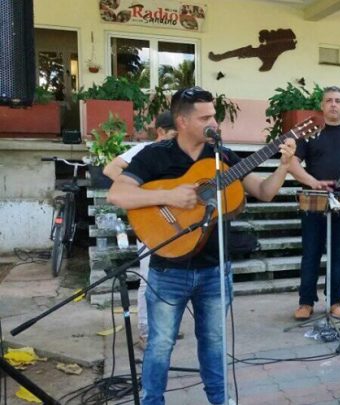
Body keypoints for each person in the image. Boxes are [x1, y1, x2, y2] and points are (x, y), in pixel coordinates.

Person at [107, 86, 296, 405]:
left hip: (214, 268)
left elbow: (264, 192)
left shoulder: (223, 156)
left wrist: (283, 165)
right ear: (182, 122)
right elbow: (117, 194)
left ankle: (221, 400)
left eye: (215, 116)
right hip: (168, 269)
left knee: (213, 342)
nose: (215, 123)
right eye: (206, 117)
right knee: (160, 344)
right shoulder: (156, 155)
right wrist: (166, 196)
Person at [287, 86, 340, 320]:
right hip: (314, 200)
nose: (333, 104)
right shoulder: (309, 134)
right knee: (311, 252)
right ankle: (306, 302)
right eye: (328, 101)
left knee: (339, 253)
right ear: (322, 106)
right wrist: (312, 182)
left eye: (337, 100)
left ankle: (335, 301)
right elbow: (293, 164)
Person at [103, 111, 177, 350]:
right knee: (149, 275)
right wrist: (143, 193)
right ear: (161, 132)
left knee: (170, 277)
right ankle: (145, 331)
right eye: (173, 135)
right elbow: (111, 169)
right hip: (150, 219)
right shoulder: (144, 150)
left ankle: (163, 327)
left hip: (171, 220)